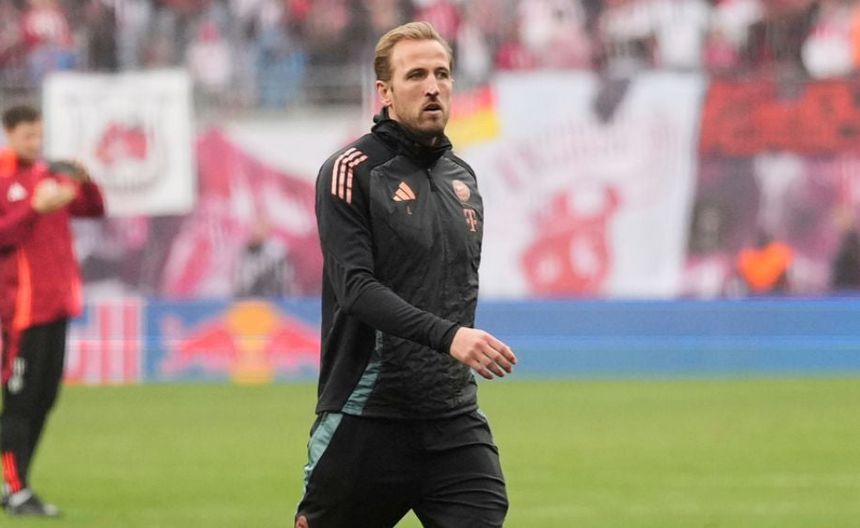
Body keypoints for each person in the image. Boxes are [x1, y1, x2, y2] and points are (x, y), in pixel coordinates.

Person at [295, 21, 516, 528]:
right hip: (367, 418)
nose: (433, 86)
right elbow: (356, 289)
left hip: (452, 419)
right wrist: (450, 337)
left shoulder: (462, 178)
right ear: (386, 92)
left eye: (442, 74)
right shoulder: (350, 170)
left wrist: (452, 348)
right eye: (416, 75)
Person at [0, 104, 105, 516]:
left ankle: (17, 485)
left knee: (44, 400)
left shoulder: (49, 175)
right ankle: (17, 489)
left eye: (38, 134)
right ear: (9, 134)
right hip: (22, 311)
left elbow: (92, 209)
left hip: (57, 305)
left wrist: (86, 181)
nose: (35, 142)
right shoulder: (5, 181)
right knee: (20, 402)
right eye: (28, 135)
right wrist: (34, 208)